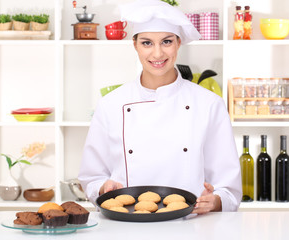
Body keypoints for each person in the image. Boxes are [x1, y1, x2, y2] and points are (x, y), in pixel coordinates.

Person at [79, 0, 242, 214]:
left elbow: (228, 189)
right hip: (126, 225)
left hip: (190, 224)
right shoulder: (111, 104)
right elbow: (92, 177)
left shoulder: (209, 104)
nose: (157, 54)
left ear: (178, 43)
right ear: (135, 44)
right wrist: (103, 187)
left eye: (166, 42)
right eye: (147, 43)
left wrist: (216, 201)